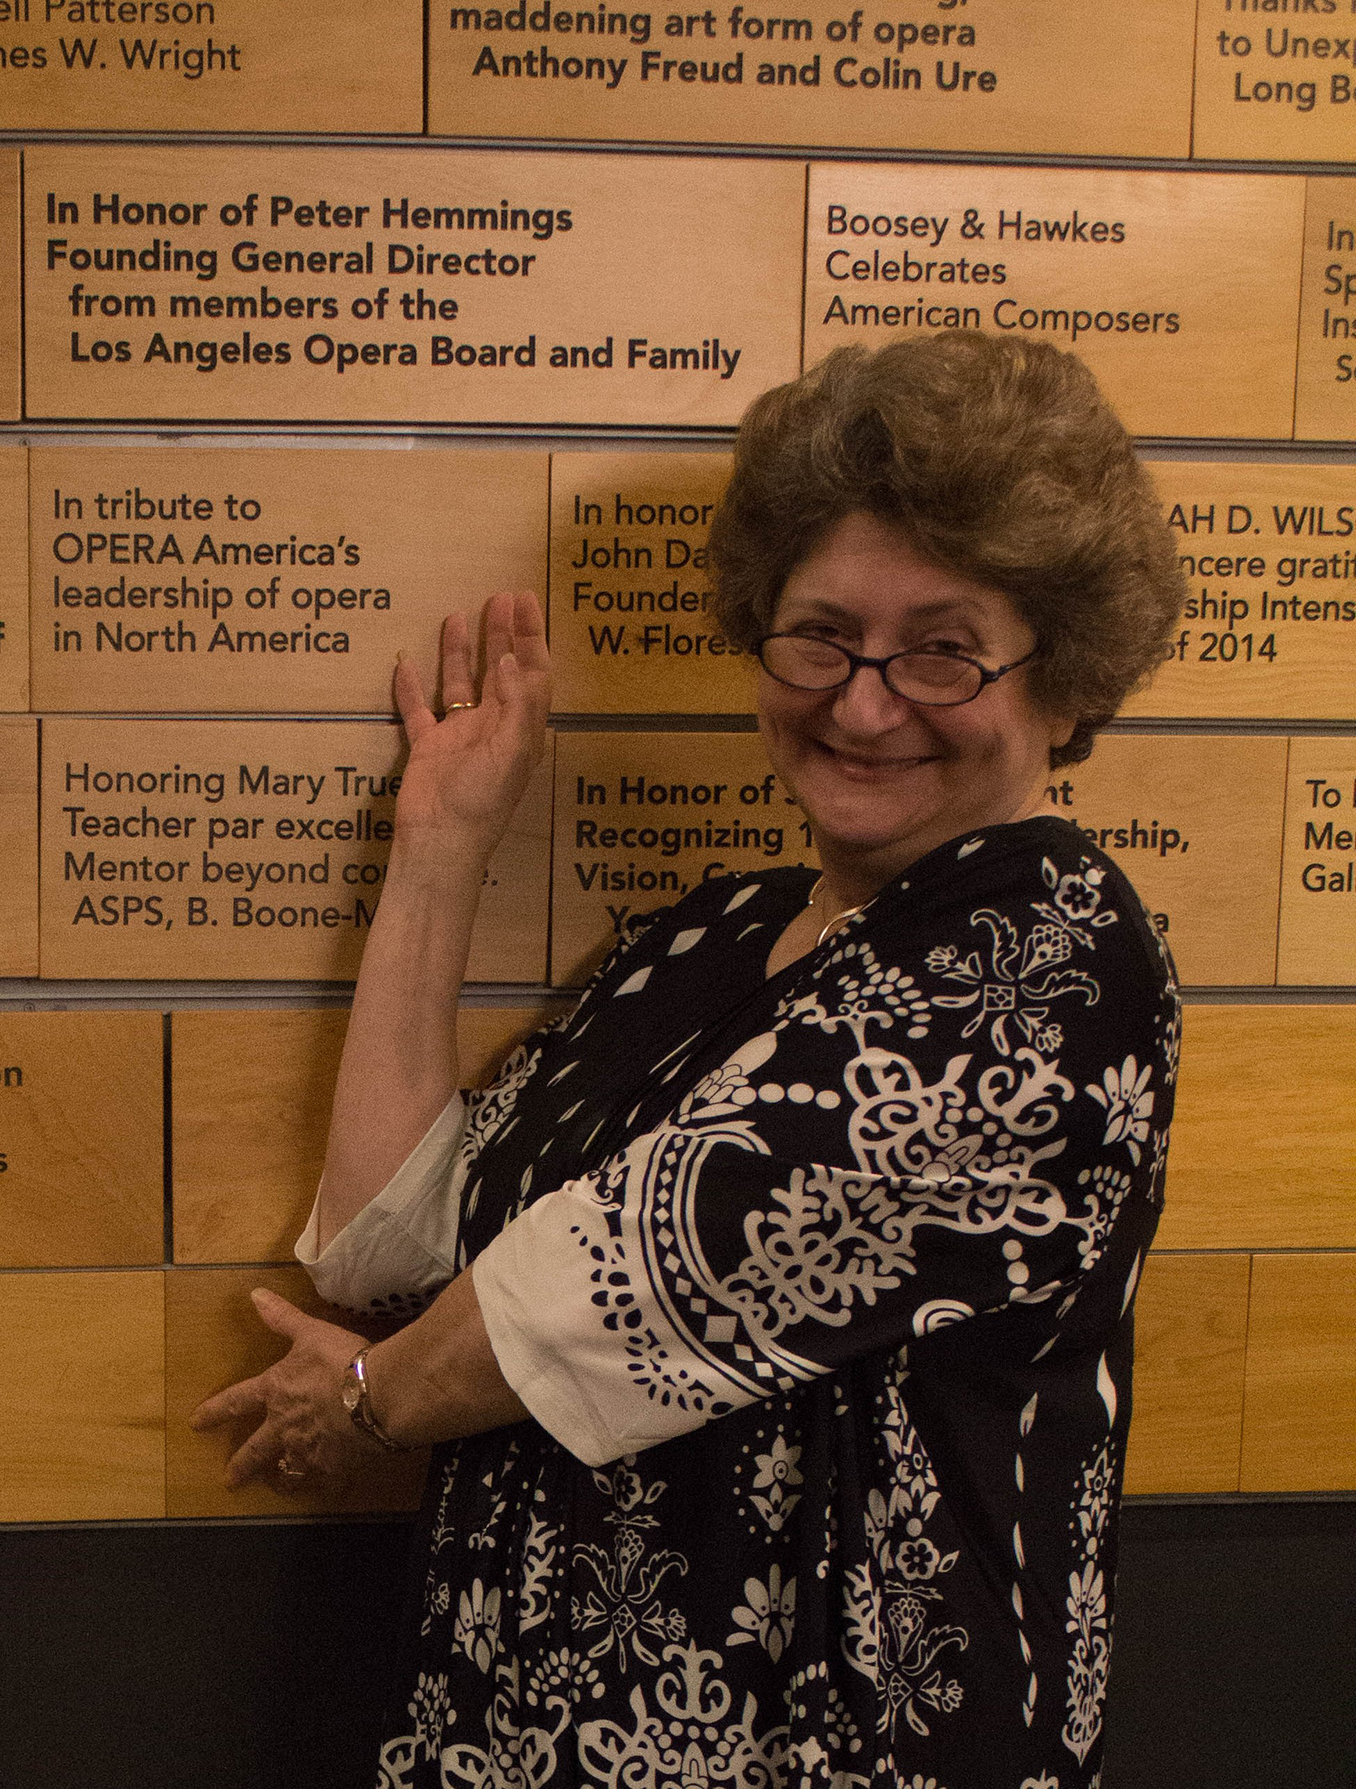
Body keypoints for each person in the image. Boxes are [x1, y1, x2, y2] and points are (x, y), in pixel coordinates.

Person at [192, 331, 1186, 1788]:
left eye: (942, 649)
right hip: (539, 1733)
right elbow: (400, 1246)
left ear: (1063, 673)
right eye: (820, 634)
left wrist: (368, 1401)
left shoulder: (1050, 952)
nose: (862, 699)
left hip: (842, 1746)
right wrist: (443, 843)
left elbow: (639, 1268)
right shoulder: (713, 938)